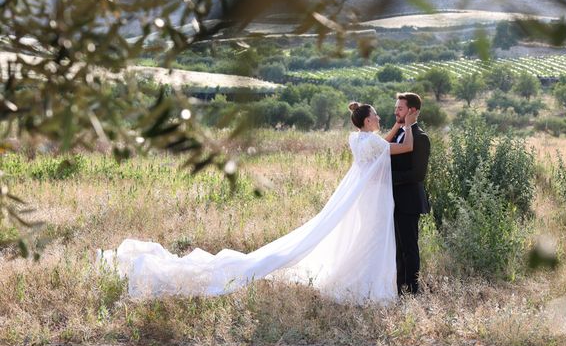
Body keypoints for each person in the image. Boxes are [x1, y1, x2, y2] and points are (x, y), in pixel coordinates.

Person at [99, 103, 417, 304]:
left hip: (359, 200)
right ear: (367, 121)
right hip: (368, 201)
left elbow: (381, 144)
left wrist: (396, 128)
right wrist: (409, 126)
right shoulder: (373, 141)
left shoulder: (357, 139)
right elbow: (399, 149)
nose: (380, 116)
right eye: (376, 114)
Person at [386, 93, 430, 295]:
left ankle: (413, 292)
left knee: (409, 249)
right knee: (396, 249)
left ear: (412, 111)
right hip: (392, 201)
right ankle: (399, 290)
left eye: (400, 108)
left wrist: (388, 176)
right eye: (396, 108)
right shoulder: (396, 135)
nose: (396, 111)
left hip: (409, 201)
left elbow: (418, 174)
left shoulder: (421, 138)